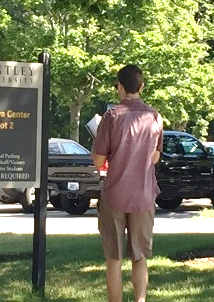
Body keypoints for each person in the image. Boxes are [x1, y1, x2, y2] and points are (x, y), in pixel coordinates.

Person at [92, 64, 163, 302]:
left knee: (114, 258)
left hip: (115, 195)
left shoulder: (111, 117)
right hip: (144, 195)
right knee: (140, 257)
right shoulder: (154, 117)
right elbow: (155, 157)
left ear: (119, 86)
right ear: (141, 86)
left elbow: (99, 160)